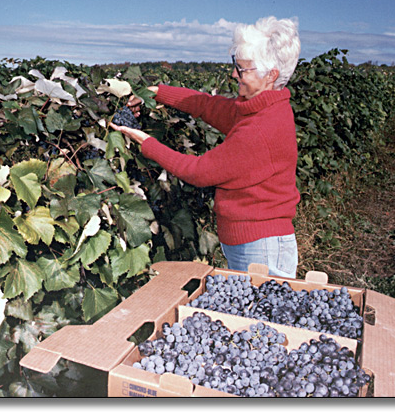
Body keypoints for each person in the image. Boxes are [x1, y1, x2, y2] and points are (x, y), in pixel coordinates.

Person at [110, 16, 301, 278]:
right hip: (252, 242)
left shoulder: (261, 128)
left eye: (242, 69)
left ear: (271, 75)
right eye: (236, 66)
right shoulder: (261, 109)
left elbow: (199, 172)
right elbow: (209, 106)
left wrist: (147, 143)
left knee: (259, 317)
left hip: (261, 248)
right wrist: (157, 92)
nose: (234, 74)